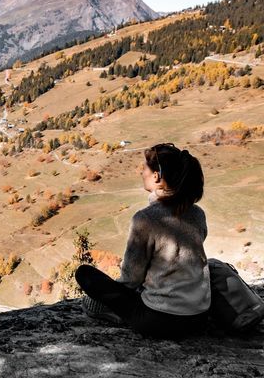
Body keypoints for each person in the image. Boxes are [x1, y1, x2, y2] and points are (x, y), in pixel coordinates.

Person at [75, 143, 210, 338]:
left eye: (144, 168)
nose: (141, 173)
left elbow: (131, 279)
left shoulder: (145, 219)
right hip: (199, 318)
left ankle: (113, 313)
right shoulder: (198, 214)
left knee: (85, 274)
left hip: (158, 321)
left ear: (156, 176)